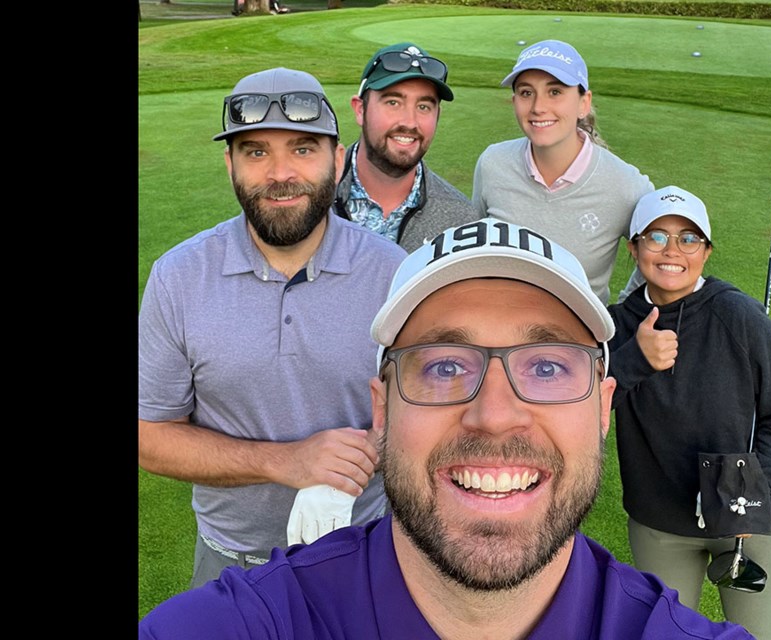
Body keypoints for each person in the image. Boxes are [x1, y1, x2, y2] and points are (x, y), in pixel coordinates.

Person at [138, 217, 755, 639]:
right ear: (382, 411)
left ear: (601, 408)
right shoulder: (262, 620)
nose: (494, 415)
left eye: (546, 366)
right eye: (443, 366)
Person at [138, 67, 407, 590]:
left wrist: (379, 447)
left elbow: (429, 409)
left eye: (303, 148)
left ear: (336, 157)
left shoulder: (393, 272)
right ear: (229, 164)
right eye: (255, 152)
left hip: (366, 553)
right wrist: (286, 462)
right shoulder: (178, 275)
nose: (280, 172)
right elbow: (149, 435)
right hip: (230, 565)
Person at [606, 186, 771, 640]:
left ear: (707, 251)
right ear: (634, 247)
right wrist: (633, 359)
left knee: (760, 635)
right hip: (661, 523)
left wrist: (761, 499)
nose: (672, 251)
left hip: (748, 520)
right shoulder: (615, 325)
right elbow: (583, 410)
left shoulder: (739, 315)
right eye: (656, 237)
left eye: (688, 239)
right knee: (668, 635)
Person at [471, 39, 654, 304]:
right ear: (514, 101)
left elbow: (660, 255)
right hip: (500, 334)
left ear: (583, 103)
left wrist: (623, 314)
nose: (537, 107)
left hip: (577, 342)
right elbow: (474, 249)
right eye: (526, 92)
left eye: (555, 92)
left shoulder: (626, 185)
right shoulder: (492, 163)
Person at [334, 42, 480, 252]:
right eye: (393, 102)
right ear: (360, 110)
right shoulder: (311, 197)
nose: (409, 122)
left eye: (423, 107)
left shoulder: (461, 221)